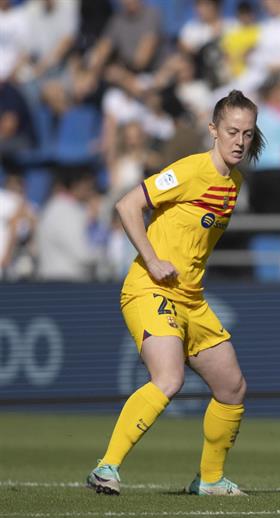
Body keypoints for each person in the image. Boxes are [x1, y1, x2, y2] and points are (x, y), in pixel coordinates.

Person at [86, 90, 265, 496]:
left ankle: (211, 480)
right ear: (213, 130)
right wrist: (151, 259)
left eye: (248, 134)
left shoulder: (233, 181)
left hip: (191, 299)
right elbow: (127, 205)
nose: (239, 141)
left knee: (232, 388)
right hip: (150, 287)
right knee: (168, 378)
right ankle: (106, 467)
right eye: (232, 131)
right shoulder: (190, 170)